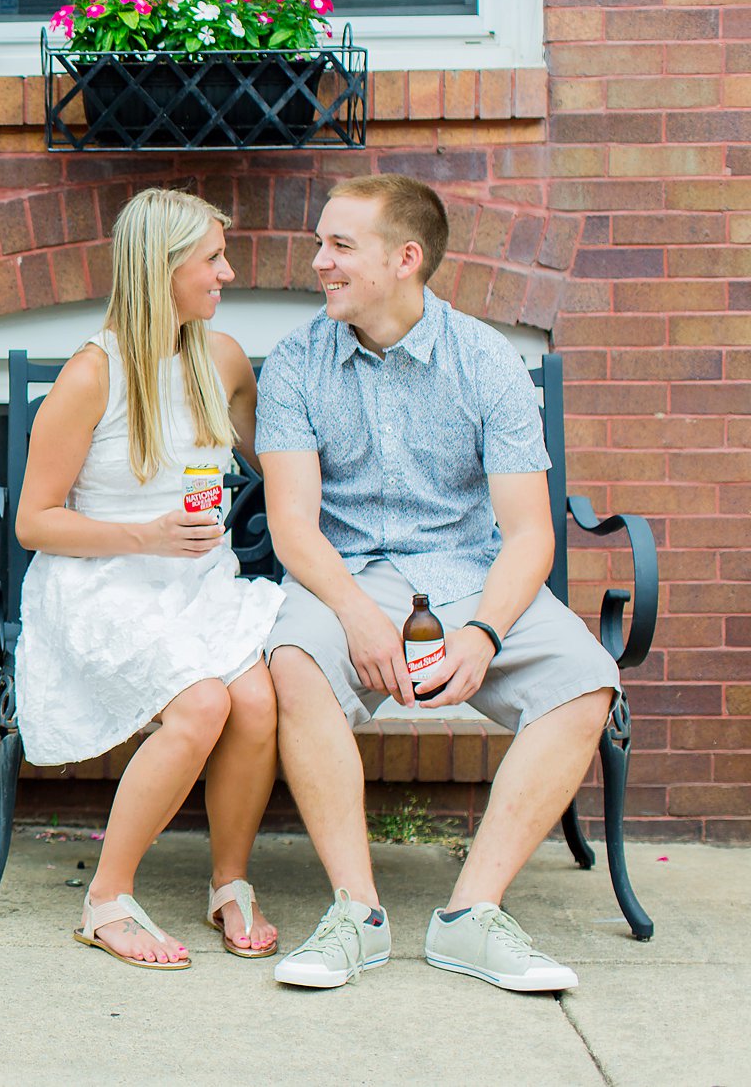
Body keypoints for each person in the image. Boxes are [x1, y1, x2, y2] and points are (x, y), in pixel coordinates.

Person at [256, 173, 620, 994]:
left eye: (340, 246)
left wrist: (485, 631)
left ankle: (472, 918)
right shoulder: (296, 363)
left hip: (472, 574)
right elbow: (292, 529)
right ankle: (358, 915)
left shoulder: (485, 358)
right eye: (321, 243)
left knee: (585, 679)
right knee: (296, 659)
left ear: (406, 259)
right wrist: (352, 611)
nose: (319, 262)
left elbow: (530, 533)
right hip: (348, 574)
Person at [14, 187, 286, 970]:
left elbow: (275, 465)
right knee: (203, 702)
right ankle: (107, 899)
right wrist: (148, 534)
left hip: (197, 578)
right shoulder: (90, 378)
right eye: (212, 259)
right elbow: (35, 521)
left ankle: (229, 884)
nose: (226, 273)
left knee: (256, 697)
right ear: (159, 269)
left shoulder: (221, 359)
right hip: (100, 581)